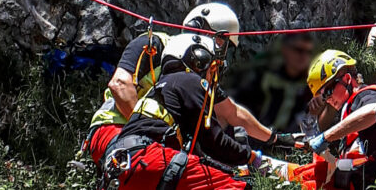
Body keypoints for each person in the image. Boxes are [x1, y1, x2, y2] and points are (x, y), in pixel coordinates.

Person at [102, 34, 277, 190]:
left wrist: (227, 169)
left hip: (120, 165)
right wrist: (250, 157)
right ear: (199, 58)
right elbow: (213, 140)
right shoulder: (189, 80)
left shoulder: (161, 91)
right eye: (212, 68)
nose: (212, 76)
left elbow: (198, 157)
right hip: (150, 158)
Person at [299, 49, 376, 189]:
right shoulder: (350, 114)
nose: (328, 100)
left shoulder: (366, 95)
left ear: (347, 79)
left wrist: (326, 137)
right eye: (323, 97)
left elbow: (373, 110)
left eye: (328, 92)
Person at [181, 2, 301, 149]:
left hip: (176, 145)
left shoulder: (206, 81)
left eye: (223, 46)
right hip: (155, 142)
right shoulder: (158, 46)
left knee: (235, 133)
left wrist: (275, 139)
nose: (220, 53)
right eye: (219, 41)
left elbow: (233, 113)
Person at [83, 30, 170, 166]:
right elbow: (119, 84)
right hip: (115, 127)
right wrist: (140, 127)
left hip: (138, 135)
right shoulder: (154, 43)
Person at [231, 33, 316, 138]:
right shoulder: (263, 76)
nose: (304, 56)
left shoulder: (309, 82)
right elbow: (240, 107)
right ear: (286, 50)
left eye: (308, 52)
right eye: (299, 50)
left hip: (291, 141)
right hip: (259, 136)